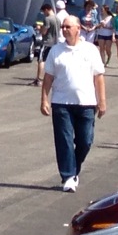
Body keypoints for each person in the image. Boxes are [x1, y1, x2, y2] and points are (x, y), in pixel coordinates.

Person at [39, 14, 107, 192]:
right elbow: (48, 78)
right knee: (65, 141)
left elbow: (99, 77)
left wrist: (102, 101)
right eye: (63, 27)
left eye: (68, 26)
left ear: (78, 28)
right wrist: (44, 99)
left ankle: (74, 169)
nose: (65, 30)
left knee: (85, 140)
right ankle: (68, 176)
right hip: (61, 103)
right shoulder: (56, 51)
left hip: (86, 103)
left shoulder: (90, 50)